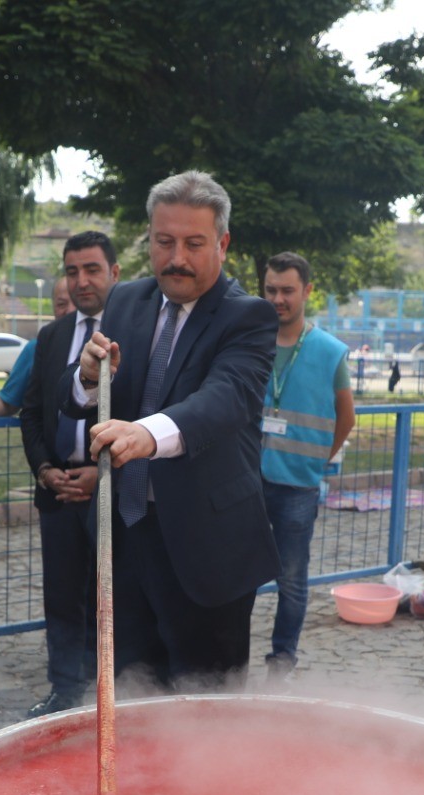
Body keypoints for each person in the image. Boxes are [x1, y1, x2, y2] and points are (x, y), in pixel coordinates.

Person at [67, 170, 278, 689]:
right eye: (164, 242)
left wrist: (146, 434)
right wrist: (88, 378)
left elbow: (225, 399)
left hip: (207, 551)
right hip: (125, 537)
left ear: (223, 244)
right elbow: (83, 396)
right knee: (130, 691)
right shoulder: (127, 300)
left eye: (193, 243)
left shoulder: (248, 316)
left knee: (207, 713)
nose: (176, 258)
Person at [18, 232, 121, 717]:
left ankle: (112, 692)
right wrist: (43, 469)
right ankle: (64, 692)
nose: (81, 280)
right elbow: (32, 411)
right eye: (72, 270)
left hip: (112, 490)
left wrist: (102, 476)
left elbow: (146, 412)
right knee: (61, 595)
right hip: (57, 489)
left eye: (92, 269)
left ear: (114, 273)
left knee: (111, 595)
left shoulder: (134, 330)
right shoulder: (52, 335)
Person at [258, 252, 355, 680]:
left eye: (287, 291)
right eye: (271, 290)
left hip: (298, 487)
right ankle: (226, 658)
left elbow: (346, 417)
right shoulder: (251, 341)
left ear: (307, 292)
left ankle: (283, 660)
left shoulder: (330, 352)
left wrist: (318, 461)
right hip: (248, 482)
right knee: (235, 576)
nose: (278, 299)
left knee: (292, 581)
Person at [0, 276, 71, 425]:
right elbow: (8, 401)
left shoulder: (106, 346)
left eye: (76, 302)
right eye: (61, 304)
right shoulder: (37, 349)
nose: (70, 311)